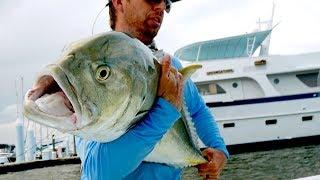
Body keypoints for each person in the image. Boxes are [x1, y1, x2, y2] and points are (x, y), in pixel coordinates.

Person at [76, 0, 229, 179]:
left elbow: (198, 110)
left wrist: (218, 148)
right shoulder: (94, 71)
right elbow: (97, 172)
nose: (161, 7)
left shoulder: (171, 67)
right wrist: (164, 111)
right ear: (118, 2)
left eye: (167, 2)